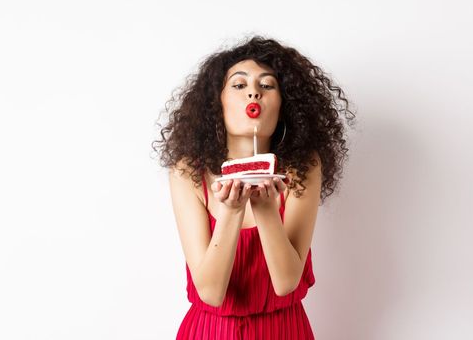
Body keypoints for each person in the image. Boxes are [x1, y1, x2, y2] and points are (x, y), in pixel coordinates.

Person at [152, 35, 356, 339]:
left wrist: (265, 209)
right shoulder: (188, 172)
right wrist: (232, 212)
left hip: (284, 330)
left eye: (267, 85)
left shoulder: (303, 168)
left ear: (284, 103)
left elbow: (286, 281)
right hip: (210, 331)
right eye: (239, 85)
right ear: (216, 102)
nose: (254, 94)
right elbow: (210, 291)